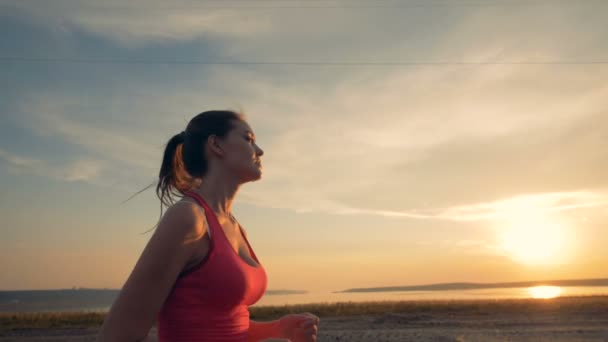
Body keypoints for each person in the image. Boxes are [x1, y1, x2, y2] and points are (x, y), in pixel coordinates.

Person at [97, 110, 320, 342]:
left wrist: (280, 329)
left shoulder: (235, 227)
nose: (260, 150)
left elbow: (226, 325)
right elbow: (118, 334)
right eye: (248, 139)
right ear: (216, 145)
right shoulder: (188, 218)